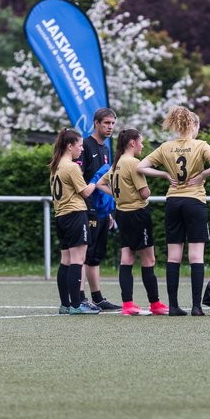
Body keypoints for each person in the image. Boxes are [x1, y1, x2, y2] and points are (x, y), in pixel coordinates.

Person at [137, 106, 210, 316]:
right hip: (194, 200)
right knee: (196, 255)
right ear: (193, 125)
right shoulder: (200, 145)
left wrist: (165, 176)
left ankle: (174, 306)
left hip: (173, 201)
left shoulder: (166, 147)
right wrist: (203, 175)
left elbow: (141, 167)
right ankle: (196, 307)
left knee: (174, 256)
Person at [100, 127, 170, 316]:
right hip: (138, 213)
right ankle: (155, 304)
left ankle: (127, 304)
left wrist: (117, 195)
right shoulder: (133, 163)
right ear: (132, 143)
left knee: (127, 258)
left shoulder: (116, 164)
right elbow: (144, 193)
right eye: (141, 141)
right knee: (149, 259)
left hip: (122, 213)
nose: (143, 144)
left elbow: (100, 184)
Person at [48, 127, 101, 315]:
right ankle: (77, 304)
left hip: (61, 216)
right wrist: (98, 179)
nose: (83, 149)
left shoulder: (55, 166)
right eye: (79, 145)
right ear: (70, 146)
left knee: (66, 261)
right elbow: (86, 192)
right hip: (76, 215)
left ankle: (65, 304)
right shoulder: (71, 167)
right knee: (78, 260)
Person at [80, 107, 121, 312]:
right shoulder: (85, 146)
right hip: (88, 210)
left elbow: (106, 182)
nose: (110, 127)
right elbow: (80, 180)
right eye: (106, 123)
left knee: (96, 256)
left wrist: (111, 210)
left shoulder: (105, 148)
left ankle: (97, 298)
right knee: (84, 254)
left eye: (112, 123)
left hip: (104, 211)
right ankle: (80, 298)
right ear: (96, 123)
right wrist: (87, 207)